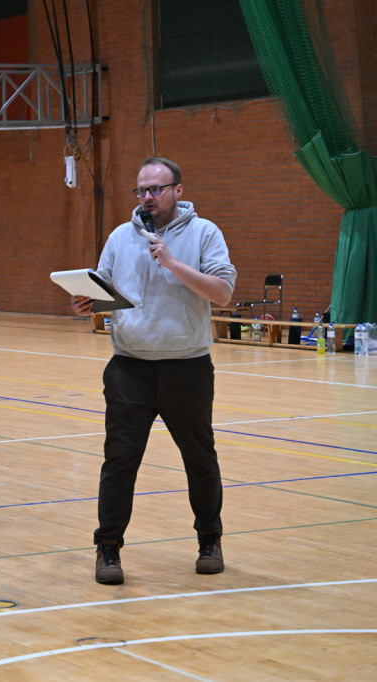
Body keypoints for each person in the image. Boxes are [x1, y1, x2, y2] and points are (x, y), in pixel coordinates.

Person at [71, 157, 236, 585]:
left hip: (187, 368)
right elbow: (108, 292)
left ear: (177, 191)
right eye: (141, 190)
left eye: (156, 189)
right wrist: (89, 302)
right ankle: (108, 548)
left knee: (200, 459)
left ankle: (209, 540)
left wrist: (173, 263)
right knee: (119, 462)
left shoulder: (205, 233)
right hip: (130, 368)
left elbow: (222, 293)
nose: (147, 197)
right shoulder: (121, 238)